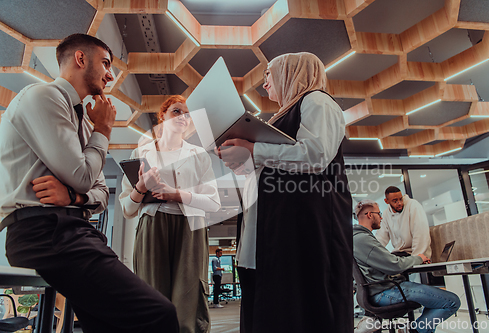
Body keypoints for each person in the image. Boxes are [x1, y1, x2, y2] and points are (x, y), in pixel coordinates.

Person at [0, 33, 179, 332]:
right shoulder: (43, 97)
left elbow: (97, 193)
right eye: (106, 63)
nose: (110, 74)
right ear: (81, 59)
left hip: (76, 232)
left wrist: (73, 197)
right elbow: (84, 177)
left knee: (110, 326)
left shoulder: (84, 122)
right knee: (160, 314)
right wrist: (105, 129)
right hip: (44, 233)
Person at [218, 52, 353, 332]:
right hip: (275, 231)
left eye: (269, 74)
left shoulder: (317, 100)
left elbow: (315, 154)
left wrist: (254, 151)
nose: (265, 83)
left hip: (305, 230)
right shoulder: (281, 115)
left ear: (293, 73)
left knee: (301, 309)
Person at [119, 95, 220, 333]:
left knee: (188, 298)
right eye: (176, 111)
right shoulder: (141, 153)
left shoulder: (198, 154)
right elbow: (127, 209)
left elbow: (214, 202)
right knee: (151, 293)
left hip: (190, 228)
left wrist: (176, 194)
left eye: (187, 114)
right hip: (152, 226)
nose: (183, 117)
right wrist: (140, 188)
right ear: (162, 115)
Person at [353, 199, 460, 333]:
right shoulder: (363, 239)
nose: (381, 217)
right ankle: (413, 330)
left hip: (376, 291)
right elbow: (394, 265)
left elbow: (387, 262)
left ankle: (415, 329)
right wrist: (418, 258)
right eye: (379, 213)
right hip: (384, 292)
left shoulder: (357, 237)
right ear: (369, 215)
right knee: (452, 301)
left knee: (436, 301)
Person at [376, 186, 432, 258]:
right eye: (395, 201)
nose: (399, 203)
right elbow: (381, 238)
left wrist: (416, 258)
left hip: (415, 253)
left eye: (400, 199)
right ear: (387, 201)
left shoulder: (413, 206)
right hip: (399, 254)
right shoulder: (386, 214)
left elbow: (421, 235)